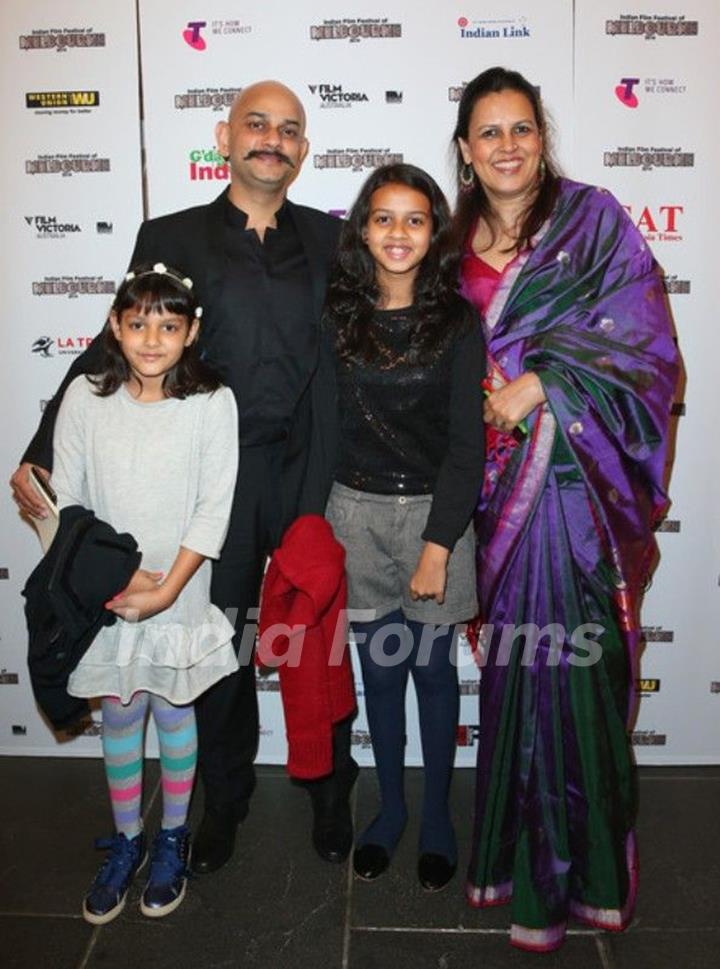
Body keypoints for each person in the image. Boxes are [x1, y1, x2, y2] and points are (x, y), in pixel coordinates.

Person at [9, 80, 357, 874]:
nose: (271, 139)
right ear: (224, 137)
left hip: (305, 467)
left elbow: (353, 357)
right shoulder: (171, 233)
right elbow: (116, 343)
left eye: (288, 129)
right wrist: (41, 441)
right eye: (256, 124)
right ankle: (223, 801)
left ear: (304, 150)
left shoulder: (334, 241)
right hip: (213, 476)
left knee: (316, 641)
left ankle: (332, 791)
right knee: (224, 644)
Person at [452, 67, 679, 950]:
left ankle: (584, 878)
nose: (508, 145)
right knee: (516, 677)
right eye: (489, 133)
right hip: (492, 489)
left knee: (576, 675)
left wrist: (546, 381)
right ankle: (516, 868)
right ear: (466, 152)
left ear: (540, 138)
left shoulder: (593, 222)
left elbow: (649, 348)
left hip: (576, 493)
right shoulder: (449, 241)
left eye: (522, 129)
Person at [50, 264, 239, 922]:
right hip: (107, 593)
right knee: (121, 709)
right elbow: (65, 503)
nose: (152, 339)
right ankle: (127, 839)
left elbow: (213, 509)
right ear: (115, 326)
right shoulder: (84, 397)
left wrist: (167, 590)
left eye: (168, 325)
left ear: (192, 332)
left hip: (180, 589)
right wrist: (116, 579)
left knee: (174, 704)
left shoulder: (213, 400)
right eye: (138, 324)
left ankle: (171, 839)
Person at [323, 164, 485, 891]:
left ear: (434, 231)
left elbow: (466, 447)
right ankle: (389, 810)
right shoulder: (335, 313)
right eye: (383, 218)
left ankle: (439, 819)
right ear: (362, 228)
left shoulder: (457, 320)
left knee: (433, 670)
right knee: (379, 675)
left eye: (414, 218)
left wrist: (438, 544)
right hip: (352, 515)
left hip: (432, 515)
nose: (397, 232)